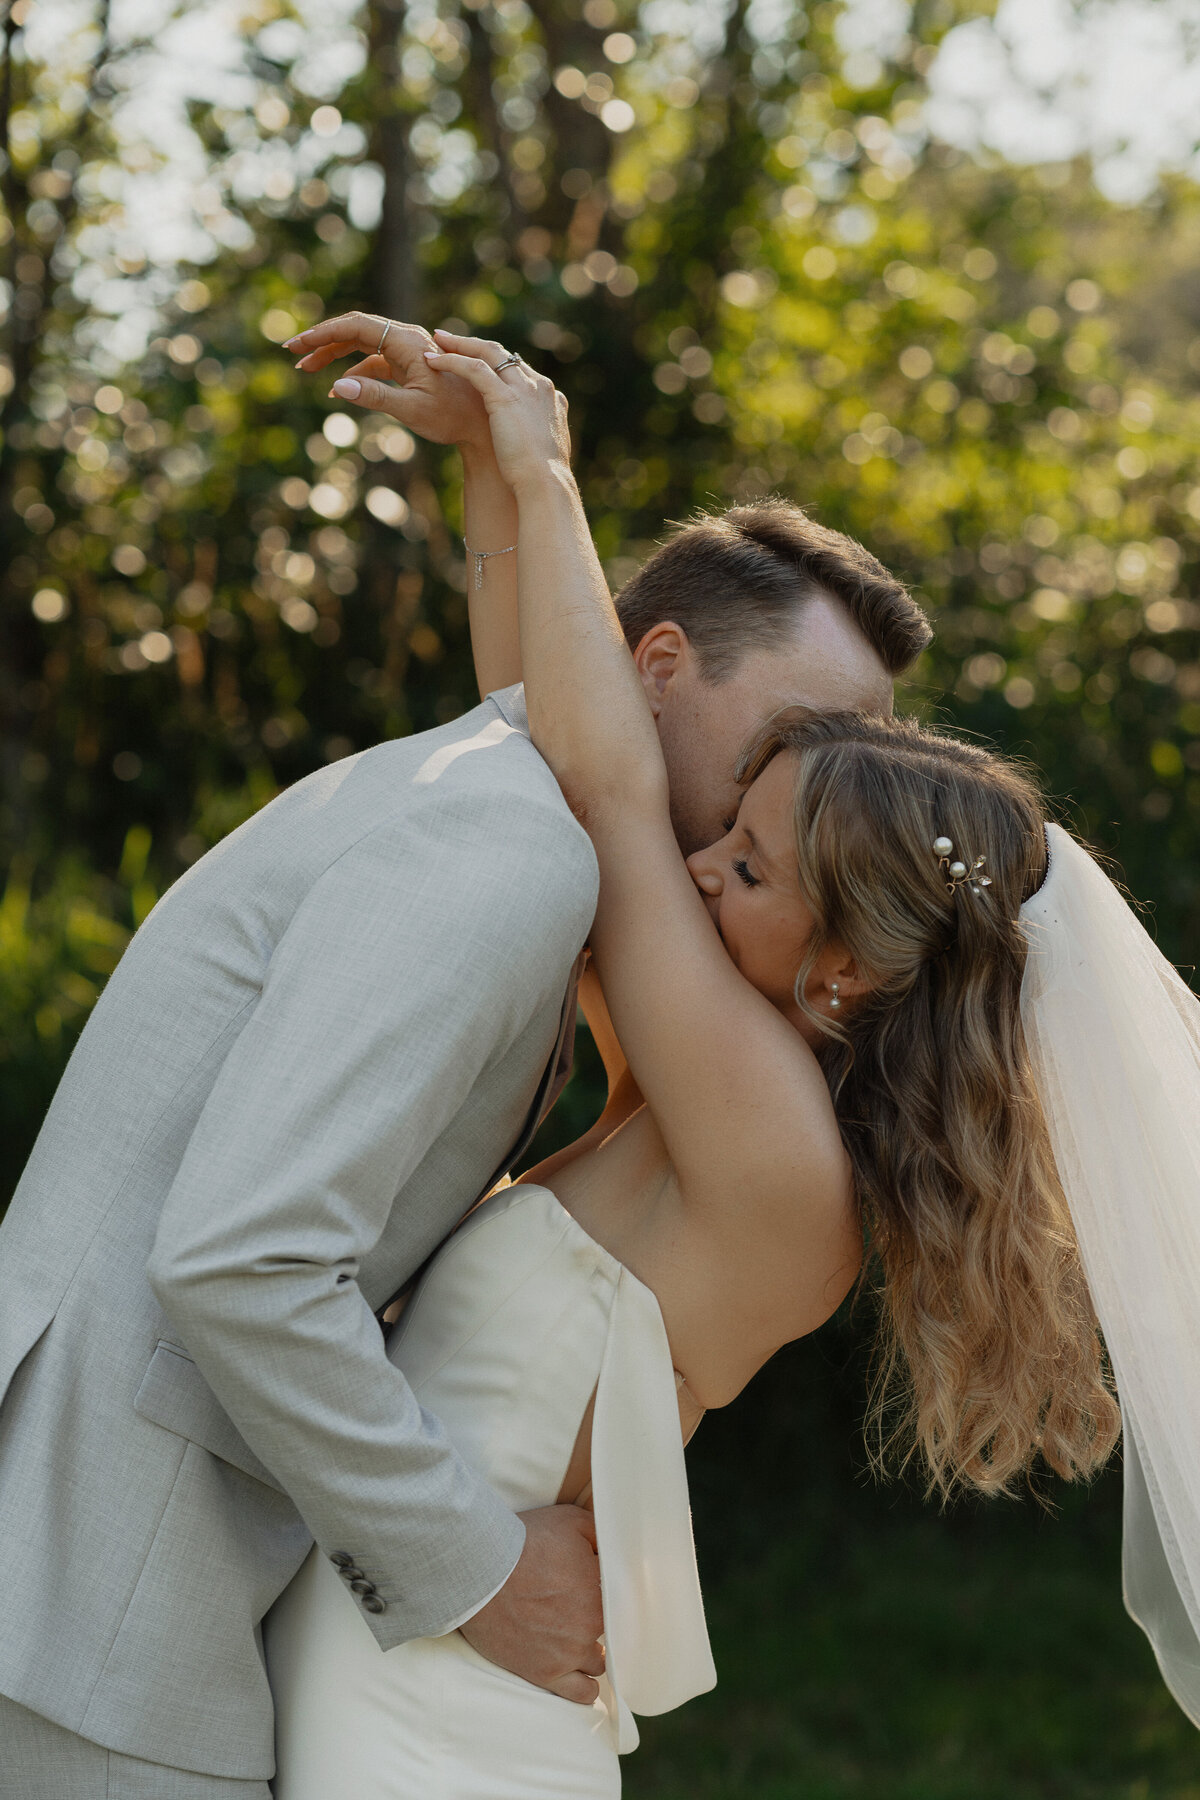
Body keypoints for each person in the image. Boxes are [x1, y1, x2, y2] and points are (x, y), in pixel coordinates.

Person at [263, 326, 1200, 1798]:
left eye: (748, 868)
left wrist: (543, 463)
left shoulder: (767, 1146)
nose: (699, 872)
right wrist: (498, 502)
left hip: (440, 1719)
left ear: (845, 965)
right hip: (415, 1656)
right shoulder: (714, 1088)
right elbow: (558, 763)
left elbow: (612, 787)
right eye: (725, 837)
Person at [0, 347, 927, 1796]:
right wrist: (476, 1571)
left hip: (119, 1603)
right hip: (104, 1610)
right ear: (657, 668)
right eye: (790, 740)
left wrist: (511, 489)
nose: (801, 795)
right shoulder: (502, 855)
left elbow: (582, 735)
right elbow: (244, 1257)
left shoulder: (495, 804)